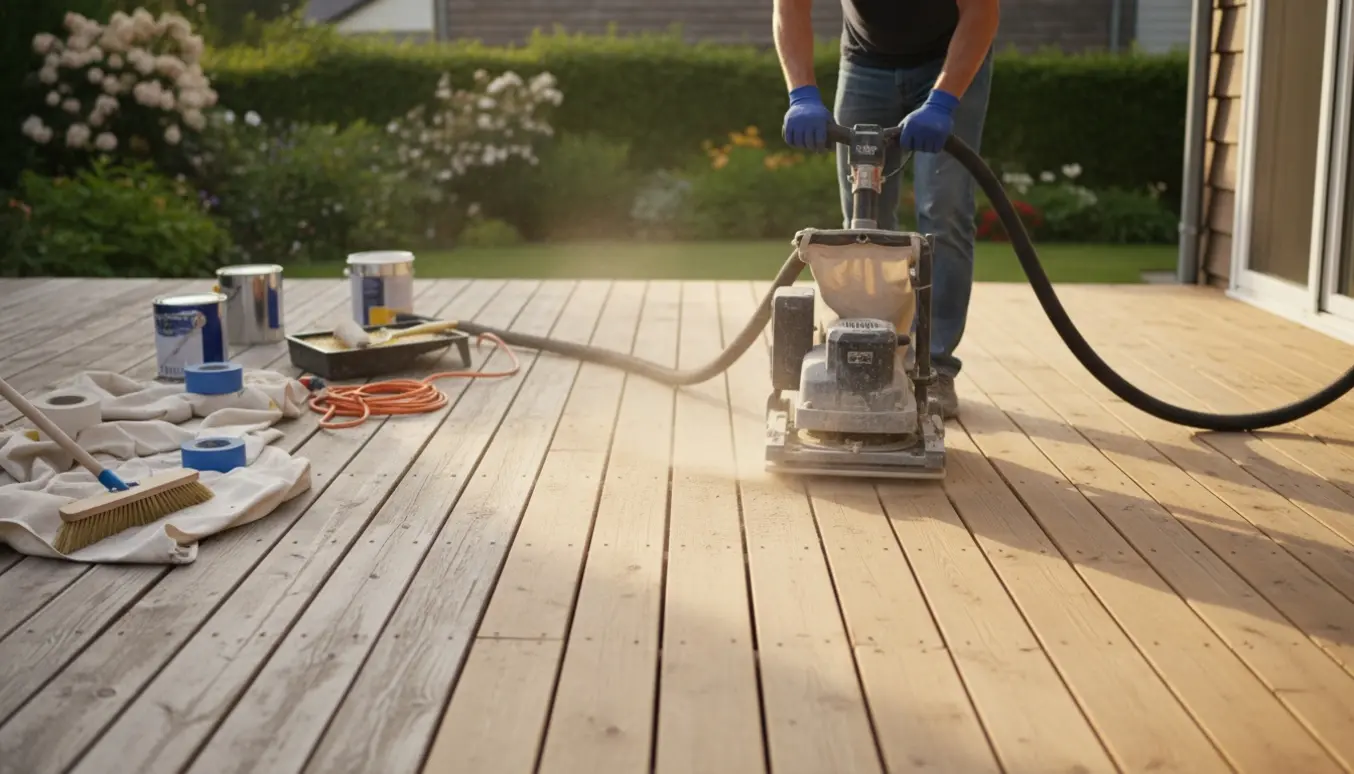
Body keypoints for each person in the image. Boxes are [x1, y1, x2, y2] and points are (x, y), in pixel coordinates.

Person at [773, 0, 999, 419]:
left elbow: (982, 12)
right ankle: (870, 353)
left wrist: (943, 102)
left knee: (943, 208)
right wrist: (801, 94)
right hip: (864, 64)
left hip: (946, 60)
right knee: (862, 219)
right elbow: (789, 7)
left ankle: (934, 367)